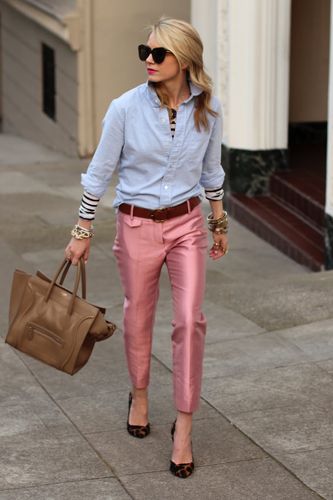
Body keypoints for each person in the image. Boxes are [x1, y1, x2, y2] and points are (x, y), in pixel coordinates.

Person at [65, 17, 229, 479]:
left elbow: (212, 173)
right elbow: (98, 173)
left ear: (185, 60)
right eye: (146, 52)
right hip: (136, 224)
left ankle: (184, 427)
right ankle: (139, 393)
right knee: (138, 315)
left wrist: (219, 223)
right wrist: (81, 231)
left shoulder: (208, 111)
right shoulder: (124, 109)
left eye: (159, 54)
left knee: (190, 320)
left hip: (187, 224)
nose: (149, 61)